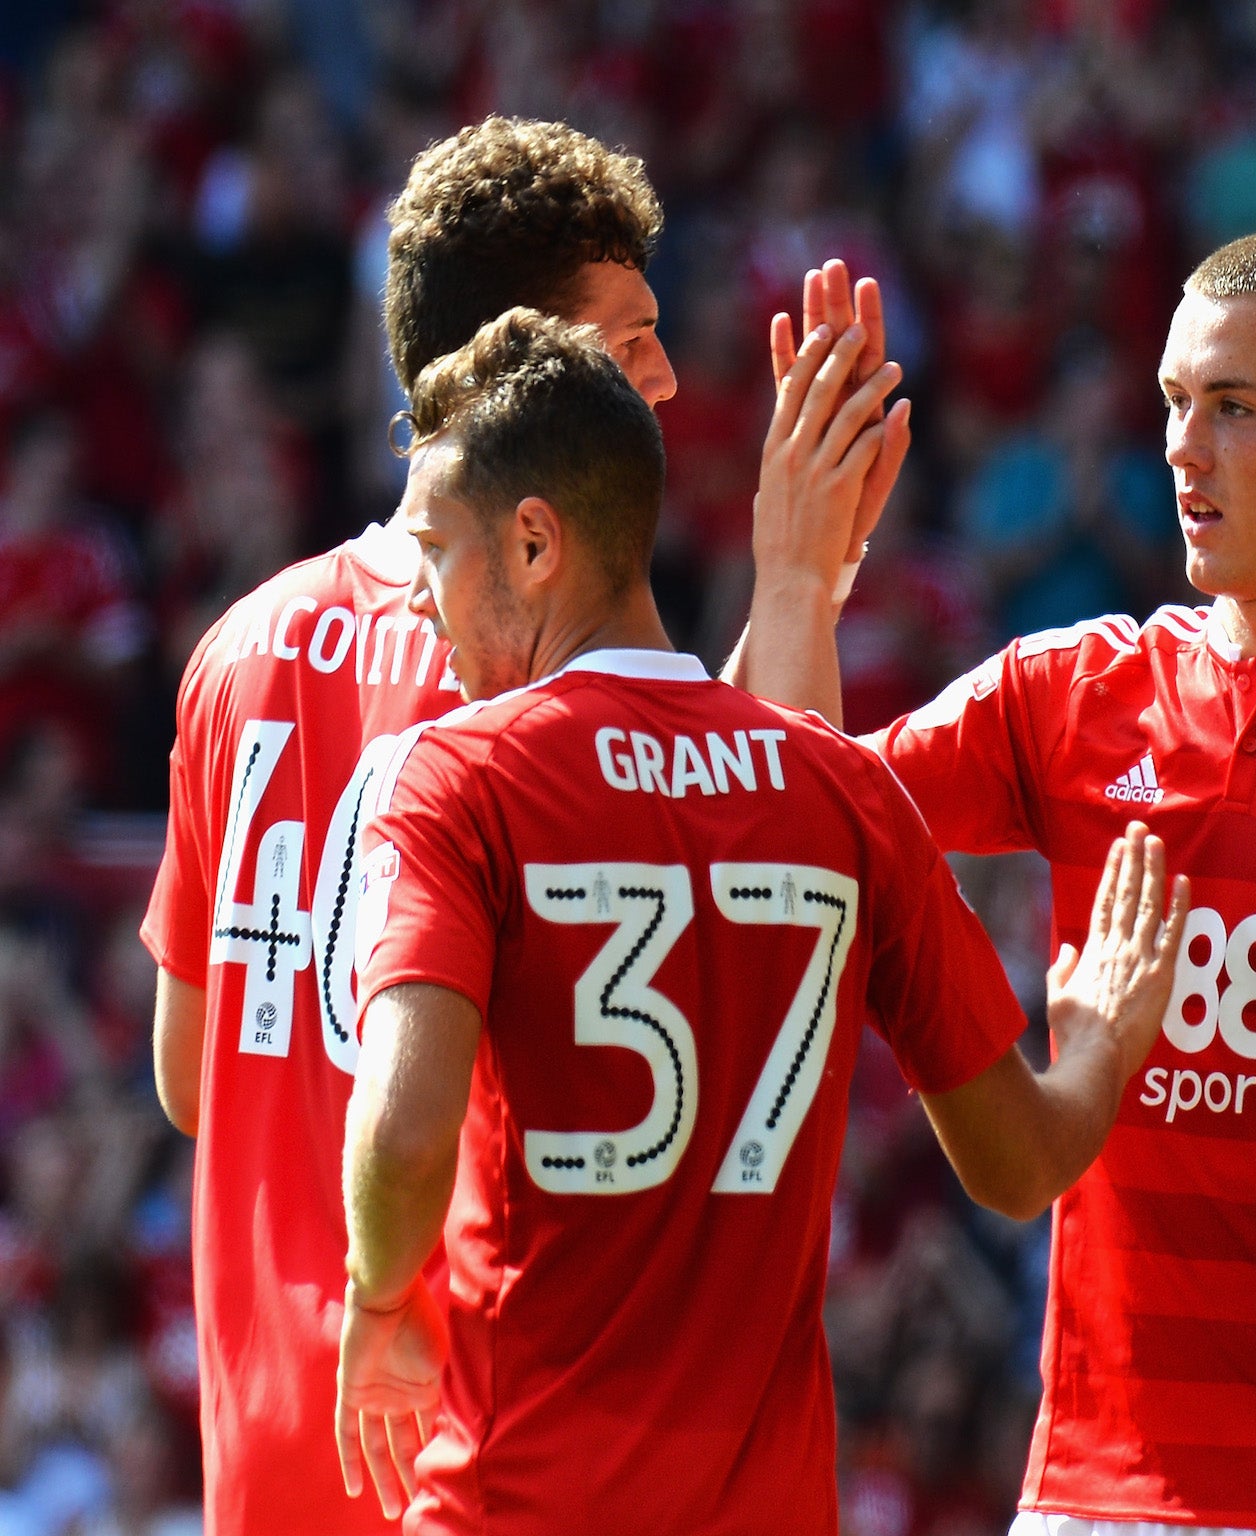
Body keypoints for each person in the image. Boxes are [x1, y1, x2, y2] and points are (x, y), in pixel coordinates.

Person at [740, 222, 1256, 1536]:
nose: (1183, 447)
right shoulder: (1069, 695)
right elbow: (774, 843)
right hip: (1084, 1494)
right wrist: (798, 577)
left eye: (1233, 409)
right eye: (1175, 404)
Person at [333, 308, 1189, 1534]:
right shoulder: (839, 787)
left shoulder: (457, 778)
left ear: (533, 546)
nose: (417, 597)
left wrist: (374, 1300)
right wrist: (1100, 1039)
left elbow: (407, 1142)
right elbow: (1019, 1166)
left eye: (433, 551)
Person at [139, 116, 685, 1536]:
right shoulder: (532, 655)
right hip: (463, 1441)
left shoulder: (239, 646)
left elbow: (190, 1085)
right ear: (527, 370)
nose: (666, 380)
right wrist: (804, 589)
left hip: (264, 1449)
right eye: (628, 342)